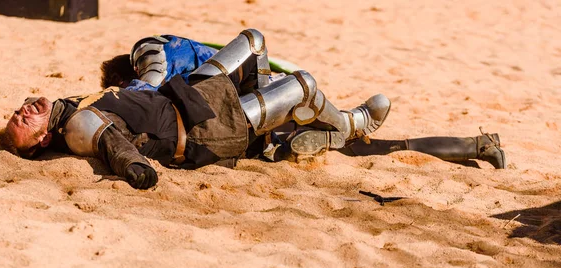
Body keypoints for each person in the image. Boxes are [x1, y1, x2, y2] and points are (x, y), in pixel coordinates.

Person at [0, 29, 505, 191]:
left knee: (253, 41)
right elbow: (113, 144)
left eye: (21, 110)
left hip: (189, 94)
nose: (25, 110)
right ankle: (351, 123)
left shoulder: (74, 103)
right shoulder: (80, 124)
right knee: (302, 85)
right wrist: (134, 171)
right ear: (44, 140)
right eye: (25, 122)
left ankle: (287, 118)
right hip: (203, 130)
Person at [100, 31, 507, 170]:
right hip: (225, 105)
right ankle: (346, 126)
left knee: (326, 129)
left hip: (229, 95)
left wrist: (123, 94)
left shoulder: (146, 49)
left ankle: (330, 129)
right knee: (348, 141)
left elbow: (152, 79)